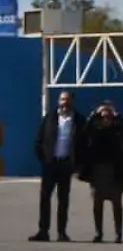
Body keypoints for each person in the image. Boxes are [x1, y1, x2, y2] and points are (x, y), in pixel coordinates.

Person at [78, 100, 123, 243]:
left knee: (116, 203)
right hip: (97, 171)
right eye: (103, 116)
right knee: (97, 204)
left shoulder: (117, 129)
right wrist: (94, 114)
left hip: (115, 171)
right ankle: (99, 233)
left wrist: (117, 115)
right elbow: (84, 130)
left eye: (109, 116)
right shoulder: (95, 129)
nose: (106, 119)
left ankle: (119, 233)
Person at [29, 91, 80, 242]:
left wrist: (76, 164)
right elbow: (39, 139)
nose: (65, 102)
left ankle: (62, 233)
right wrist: (44, 159)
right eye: (62, 99)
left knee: (63, 200)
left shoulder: (79, 120)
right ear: (58, 101)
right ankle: (43, 231)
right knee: (45, 198)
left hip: (66, 165)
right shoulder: (50, 118)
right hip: (50, 165)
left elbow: (84, 143)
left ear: (72, 102)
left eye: (68, 100)